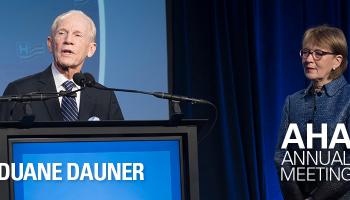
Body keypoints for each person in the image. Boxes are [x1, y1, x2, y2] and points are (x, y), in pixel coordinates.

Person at [0, 10, 123, 121]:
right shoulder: (20, 91)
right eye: (62, 33)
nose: (68, 40)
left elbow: (120, 143)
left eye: (77, 35)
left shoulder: (105, 97)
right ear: (50, 44)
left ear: (91, 49)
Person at [274, 25, 350, 200]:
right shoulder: (292, 102)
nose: (309, 59)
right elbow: (281, 155)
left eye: (318, 53)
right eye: (306, 52)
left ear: (337, 61)